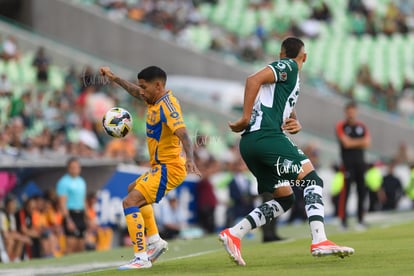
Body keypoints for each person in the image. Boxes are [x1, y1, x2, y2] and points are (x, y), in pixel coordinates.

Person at [218, 37, 354, 266]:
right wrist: (244, 117)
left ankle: (235, 233)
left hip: (251, 144)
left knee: (285, 198)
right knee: (312, 180)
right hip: (266, 136)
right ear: (304, 57)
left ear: (281, 52)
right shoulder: (289, 66)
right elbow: (253, 80)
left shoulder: (289, 80)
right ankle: (320, 240)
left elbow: (282, 104)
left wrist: (295, 121)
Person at [99, 65, 201, 270]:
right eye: (140, 87)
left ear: (158, 85)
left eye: (144, 87)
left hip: (170, 168)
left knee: (130, 202)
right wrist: (114, 78)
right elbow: (134, 91)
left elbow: (183, 134)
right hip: (160, 168)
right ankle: (155, 241)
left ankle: (141, 257)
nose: (141, 91)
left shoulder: (168, 105)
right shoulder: (154, 99)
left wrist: (190, 158)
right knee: (132, 192)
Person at [335, 101, 371, 230]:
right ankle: (343, 221)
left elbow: (367, 143)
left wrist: (353, 142)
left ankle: (360, 220)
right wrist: (359, 142)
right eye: (349, 111)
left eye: (353, 111)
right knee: (346, 193)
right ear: (346, 112)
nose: (351, 113)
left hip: (361, 164)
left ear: (356, 112)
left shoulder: (362, 126)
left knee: (362, 192)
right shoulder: (341, 126)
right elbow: (346, 144)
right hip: (347, 164)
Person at [56, 157, 87, 254]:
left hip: (80, 213)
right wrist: (68, 219)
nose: (75, 169)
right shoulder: (64, 182)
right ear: (68, 168)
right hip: (71, 213)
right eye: (72, 167)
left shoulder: (81, 181)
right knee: (70, 244)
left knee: (81, 244)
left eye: (77, 167)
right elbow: (62, 202)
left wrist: (87, 216)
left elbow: (83, 199)